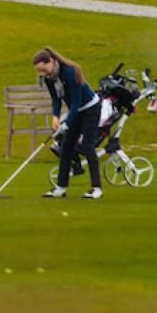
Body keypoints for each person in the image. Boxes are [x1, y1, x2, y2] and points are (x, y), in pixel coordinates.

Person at [32, 47, 102, 200]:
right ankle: (60, 188)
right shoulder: (49, 78)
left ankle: (96, 189)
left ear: (51, 61)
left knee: (88, 147)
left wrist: (67, 122)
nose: (44, 74)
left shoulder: (69, 71)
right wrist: (55, 117)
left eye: (44, 69)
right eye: (41, 72)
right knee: (66, 147)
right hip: (75, 110)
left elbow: (77, 99)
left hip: (90, 108)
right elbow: (56, 99)